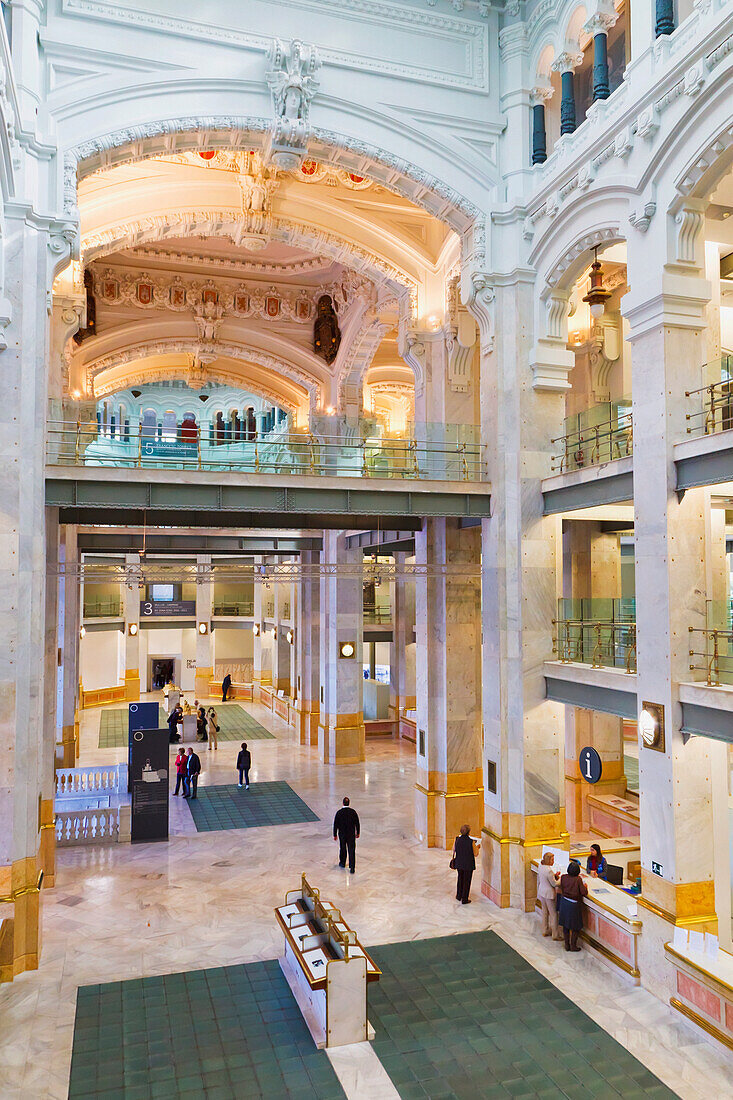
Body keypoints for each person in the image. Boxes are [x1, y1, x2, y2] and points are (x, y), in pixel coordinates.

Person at [558, 861, 588, 952]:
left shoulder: (563, 877)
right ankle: (573, 946)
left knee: (566, 925)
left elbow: (562, 887)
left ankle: (567, 945)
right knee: (575, 927)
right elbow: (583, 893)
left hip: (564, 902)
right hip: (573, 905)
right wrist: (585, 886)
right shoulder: (578, 879)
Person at [452, 825, 480, 904]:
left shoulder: (457, 839)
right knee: (466, 881)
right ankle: (464, 898)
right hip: (468, 864)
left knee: (460, 879)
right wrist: (477, 847)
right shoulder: (471, 842)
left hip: (459, 863)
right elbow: (476, 854)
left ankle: (458, 895)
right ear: (469, 832)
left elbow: (453, 849)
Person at [537, 852, 562, 939]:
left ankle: (545, 930)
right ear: (548, 860)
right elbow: (554, 884)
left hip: (542, 891)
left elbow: (545, 878)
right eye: (552, 860)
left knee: (544, 911)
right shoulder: (549, 870)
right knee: (553, 914)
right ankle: (555, 935)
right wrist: (561, 880)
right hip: (549, 894)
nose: (553, 861)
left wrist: (554, 875)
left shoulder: (541, 866)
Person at [332, 797, 360, 873]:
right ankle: (352, 867)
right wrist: (358, 832)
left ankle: (342, 863)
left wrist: (335, 834)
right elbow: (357, 823)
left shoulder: (339, 813)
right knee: (351, 850)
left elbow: (335, 824)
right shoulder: (353, 812)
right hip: (351, 835)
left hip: (342, 835)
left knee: (343, 848)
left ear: (343, 803)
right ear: (349, 803)